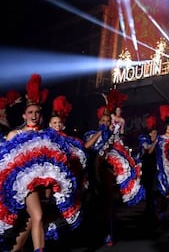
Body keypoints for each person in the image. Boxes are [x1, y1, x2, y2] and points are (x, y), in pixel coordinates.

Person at [0, 74, 80, 252]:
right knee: (37, 216)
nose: (34, 115)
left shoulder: (46, 134)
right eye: (30, 112)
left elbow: (55, 160)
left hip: (44, 187)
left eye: (37, 112)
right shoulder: (15, 135)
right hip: (23, 187)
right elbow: (6, 166)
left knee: (29, 223)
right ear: (24, 114)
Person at [83, 103, 144, 247]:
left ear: (111, 123)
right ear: (99, 122)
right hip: (91, 171)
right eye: (102, 121)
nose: (105, 123)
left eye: (107, 121)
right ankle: (94, 232)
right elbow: (87, 146)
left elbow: (120, 152)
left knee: (108, 204)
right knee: (92, 204)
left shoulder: (113, 138)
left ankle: (109, 233)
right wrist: (100, 132)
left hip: (106, 172)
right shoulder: (91, 134)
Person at [138, 116, 159, 220]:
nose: (155, 135)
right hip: (147, 169)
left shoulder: (156, 144)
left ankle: (152, 210)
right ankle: (149, 210)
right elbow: (148, 151)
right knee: (149, 190)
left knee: (153, 190)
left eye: (156, 133)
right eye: (153, 133)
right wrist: (155, 143)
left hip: (154, 169)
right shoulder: (145, 141)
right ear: (150, 134)